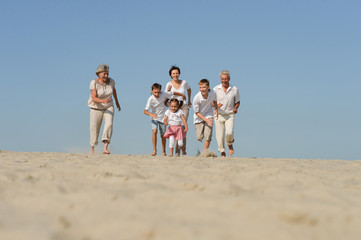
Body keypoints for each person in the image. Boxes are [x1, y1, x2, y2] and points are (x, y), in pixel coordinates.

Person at [88, 64, 121, 154]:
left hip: (108, 106)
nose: (106, 76)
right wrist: (103, 100)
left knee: (109, 124)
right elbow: (94, 98)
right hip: (96, 107)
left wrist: (117, 102)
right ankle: (92, 148)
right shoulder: (93, 83)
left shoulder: (111, 81)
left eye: (107, 74)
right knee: (94, 128)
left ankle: (105, 147)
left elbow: (114, 90)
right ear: (99, 74)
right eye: (104, 74)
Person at [165, 65, 192, 156]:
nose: (175, 75)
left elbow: (189, 89)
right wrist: (172, 92)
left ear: (179, 74)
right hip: (174, 108)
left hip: (183, 106)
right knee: (175, 127)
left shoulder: (184, 82)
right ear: (170, 75)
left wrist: (189, 100)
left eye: (177, 73)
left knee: (182, 127)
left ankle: (182, 148)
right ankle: (176, 152)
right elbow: (166, 95)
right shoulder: (169, 84)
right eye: (173, 73)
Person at [213, 70, 240, 157]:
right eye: (222, 79)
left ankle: (229, 144)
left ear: (229, 79)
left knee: (229, 133)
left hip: (229, 114)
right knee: (219, 136)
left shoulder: (234, 89)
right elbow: (211, 102)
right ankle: (222, 152)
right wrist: (216, 105)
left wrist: (235, 108)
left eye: (226, 79)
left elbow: (238, 102)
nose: (224, 80)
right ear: (220, 79)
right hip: (219, 114)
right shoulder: (216, 89)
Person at [144, 83, 172, 156]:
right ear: (152, 91)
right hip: (154, 118)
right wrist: (151, 114)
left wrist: (168, 90)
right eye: (155, 92)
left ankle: (163, 151)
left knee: (163, 135)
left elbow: (170, 95)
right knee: (154, 131)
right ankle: (154, 150)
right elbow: (145, 111)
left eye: (158, 92)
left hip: (163, 118)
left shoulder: (164, 93)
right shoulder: (150, 99)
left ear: (160, 91)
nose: (157, 94)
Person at [193, 79, 218, 153]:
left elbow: (215, 101)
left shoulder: (213, 93)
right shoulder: (196, 98)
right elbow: (196, 112)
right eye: (200, 87)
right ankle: (201, 134)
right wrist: (205, 120)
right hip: (199, 117)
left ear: (208, 87)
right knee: (199, 137)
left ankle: (204, 152)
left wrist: (216, 109)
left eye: (204, 87)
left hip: (208, 115)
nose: (202, 89)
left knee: (208, 135)